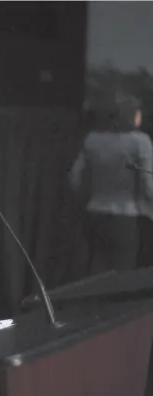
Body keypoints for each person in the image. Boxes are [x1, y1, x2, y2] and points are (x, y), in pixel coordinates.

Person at [70, 91, 153, 276]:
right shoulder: (139, 142)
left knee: (96, 269)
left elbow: (75, 179)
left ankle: (93, 305)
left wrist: (87, 197)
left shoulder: (93, 140)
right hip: (126, 215)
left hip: (95, 212)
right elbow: (148, 185)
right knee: (123, 271)